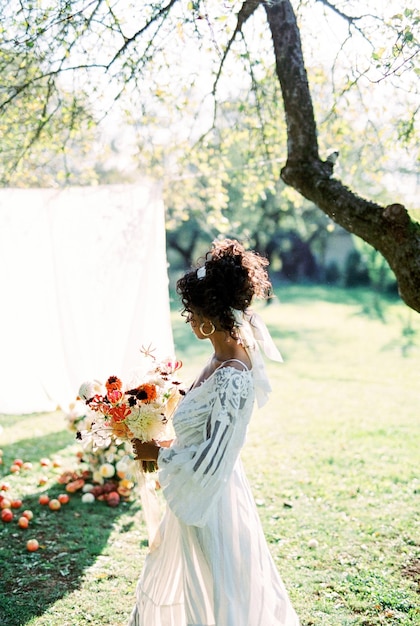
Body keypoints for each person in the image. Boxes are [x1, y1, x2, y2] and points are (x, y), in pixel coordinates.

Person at [129, 238, 300, 626]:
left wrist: (159, 455)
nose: (188, 320)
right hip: (197, 491)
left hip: (212, 502)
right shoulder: (220, 355)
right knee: (192, 584)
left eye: (191, 313)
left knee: (220, 591)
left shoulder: (234, 378)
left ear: (209, 316)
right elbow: (203, 437)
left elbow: (212, 461)